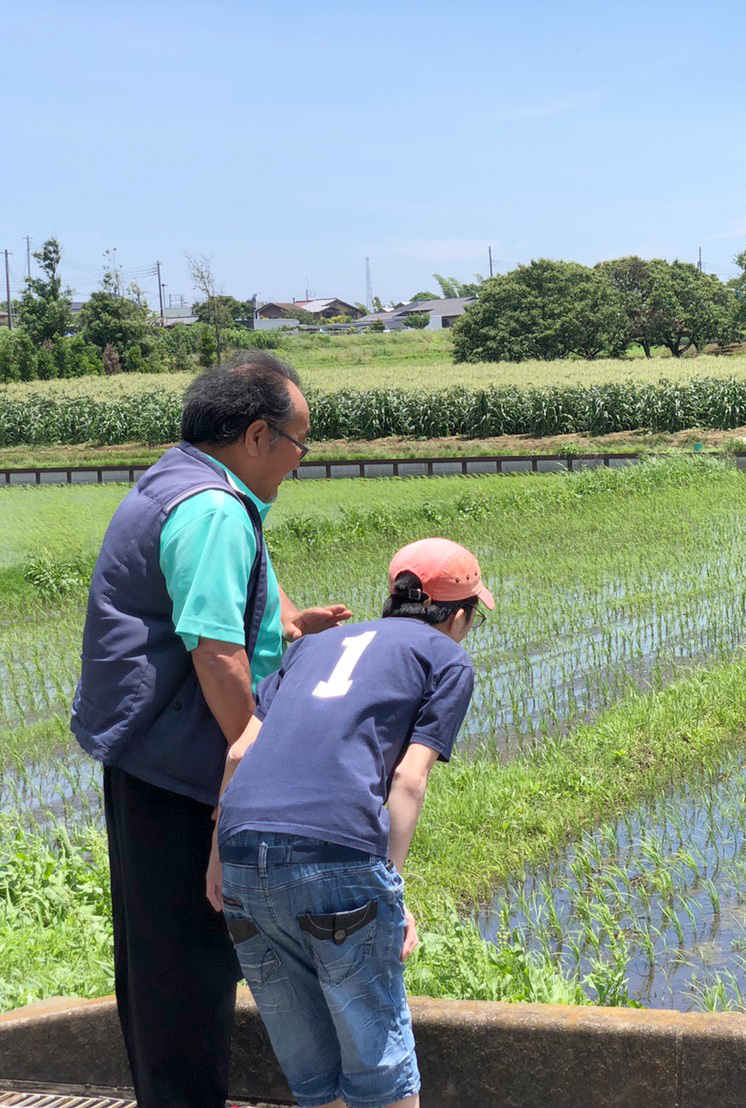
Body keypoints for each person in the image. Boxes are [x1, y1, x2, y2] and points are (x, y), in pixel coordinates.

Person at [70, 351, 351, 1108]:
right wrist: (254, 752)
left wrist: (289, 622)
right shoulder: (213, 510)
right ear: (258, 435)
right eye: (300, 443)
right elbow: (217, 650)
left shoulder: (183, 478)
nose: (299, 462)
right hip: (181, 768)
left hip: (149, 758)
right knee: (188, 967)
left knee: (159, 956)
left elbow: (231, 603)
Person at [207, 538, 491, 1108]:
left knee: (313, 1072)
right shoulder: (446, 658)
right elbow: (408, 780)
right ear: (458, 616)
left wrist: (217, 858)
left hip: (240, 857)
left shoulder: (312, 647)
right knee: (380, 1071)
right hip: (334, 854)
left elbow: (239, 752)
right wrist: (388, 884)